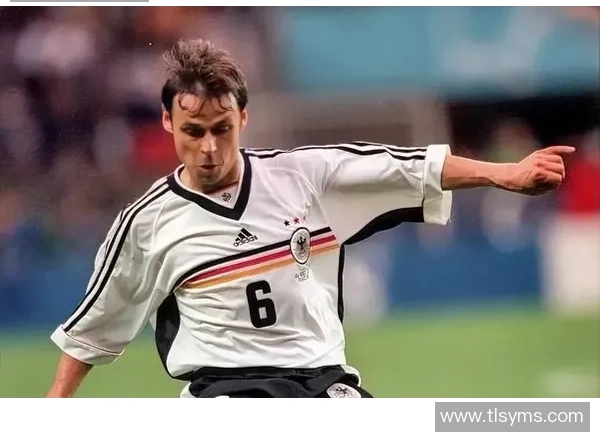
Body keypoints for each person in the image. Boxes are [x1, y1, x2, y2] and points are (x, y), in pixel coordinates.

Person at [46, 39, 575, 398]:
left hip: (322, 384)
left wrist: (504, 172)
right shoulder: (147, 223)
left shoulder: (304, 176)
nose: (209, 147)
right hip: (225, 395)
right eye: (193, 131)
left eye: (222, 128)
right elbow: (96, 327)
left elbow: (410, 167)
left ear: (243, 117)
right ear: (167, 122)